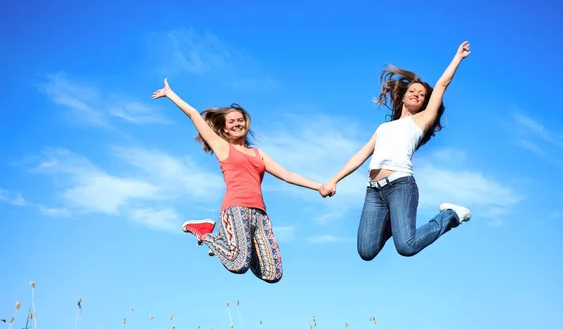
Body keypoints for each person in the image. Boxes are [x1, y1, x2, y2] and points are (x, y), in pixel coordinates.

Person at [152, 79, 322, 283]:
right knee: (238, 264)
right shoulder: (222, 147)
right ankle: (206, 233)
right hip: (235, 208)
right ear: (224, 129)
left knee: (272, 273)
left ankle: (232, 245)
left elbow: (287, 174)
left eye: (240, 120)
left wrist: (319, 186)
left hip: (260, 214)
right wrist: (170, 94)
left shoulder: (258, 153)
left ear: (246, 123)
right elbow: (193, 115)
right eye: (231, 122)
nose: (237, 124)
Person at [320, 41, 472, 261]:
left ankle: (450, 215)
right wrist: (333, 180)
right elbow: (360, 156)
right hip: (374, 191)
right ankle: (397, 220)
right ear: (402, 96)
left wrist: (457, 58)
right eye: (412, 91)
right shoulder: (383, 128)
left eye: (421, 95)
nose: (417, 95)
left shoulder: (422, 120)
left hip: (401, 186)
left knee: (406, 246)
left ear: (423, 104)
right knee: (366, 251)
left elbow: (441, 85)